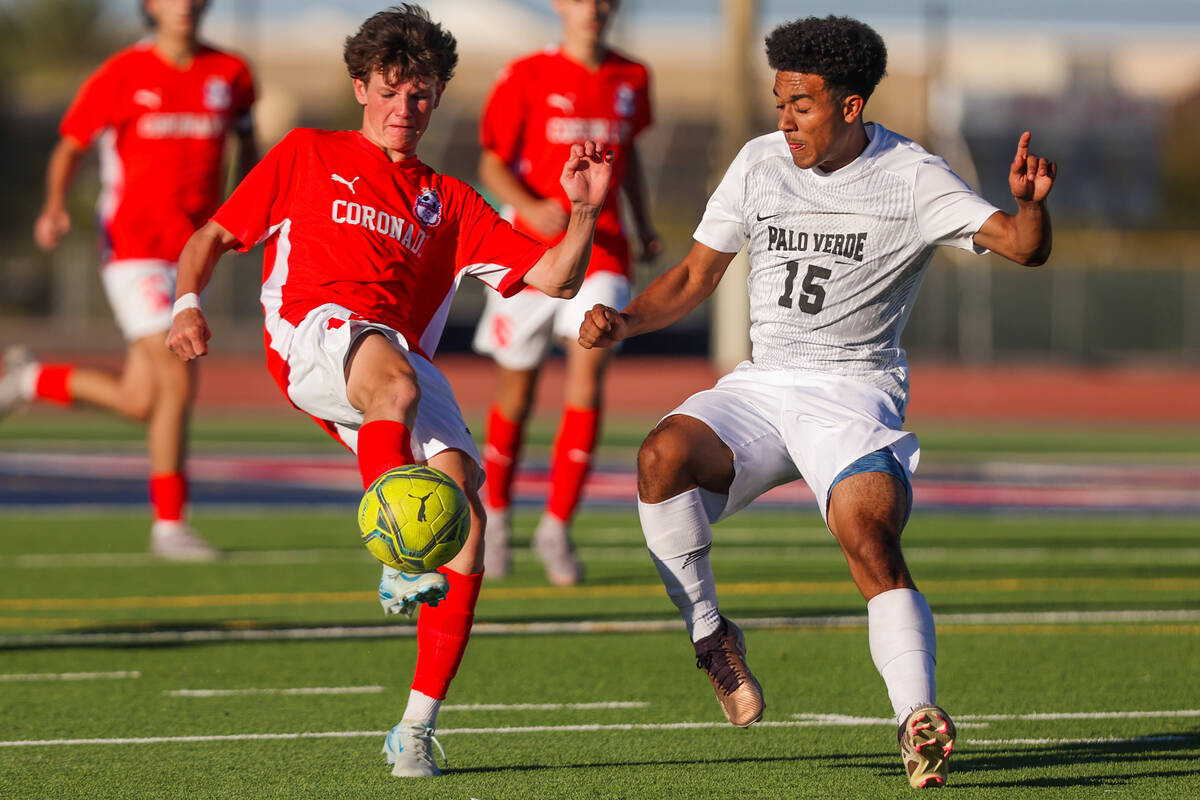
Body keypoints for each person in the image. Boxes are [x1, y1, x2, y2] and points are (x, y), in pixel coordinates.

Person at [579, 15, 1055, 789]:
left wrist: (1031, 205)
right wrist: (627, 320)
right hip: (764, 385)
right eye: (778, 101)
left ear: (850, 105)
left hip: (855, 397)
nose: (784, 120)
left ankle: (917, 721)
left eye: (801, 103)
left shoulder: (911, 175)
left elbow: (1022, 245)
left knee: (870, 542)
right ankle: (710, 635)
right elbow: (697, 277)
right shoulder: (759, 162)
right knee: (660, 456)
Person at [165, 5, 613, 779]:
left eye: (423, 92)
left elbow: (555, 277)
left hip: (390, 356)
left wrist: (583, 212)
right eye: (392, 88)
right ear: (361, 87)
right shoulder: (307, 153)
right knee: (396, 385)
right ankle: (395, 555)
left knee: (466, 514)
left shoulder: (453, 200)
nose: (406, 106)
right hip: (313, 334)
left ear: (437, 97)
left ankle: (415, 727)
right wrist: (186, 302)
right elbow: (211, 237)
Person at [0, 0, 256, 560]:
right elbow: (71, 142)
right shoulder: (122, 73)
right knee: (178, 370)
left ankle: (31, 381)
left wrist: (252, 212)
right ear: (148, 7)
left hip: (191, 254)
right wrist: (54, 206)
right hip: (133, 247)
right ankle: (170, 524)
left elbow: (249, 148)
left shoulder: (231, 74)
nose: (184, 5)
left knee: (145, 400)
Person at [471, 0, 659, 585]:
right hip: (529, 254)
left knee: (588, 373)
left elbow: (628, 163)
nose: (595, 9)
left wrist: (643, 222)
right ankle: (496, 519)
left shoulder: (633, 77)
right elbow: (492, 161)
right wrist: (528, 207)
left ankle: (556, 526)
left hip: (603, 249)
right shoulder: (525, 74)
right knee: (517, 394)